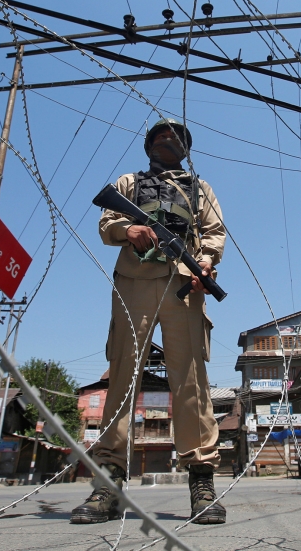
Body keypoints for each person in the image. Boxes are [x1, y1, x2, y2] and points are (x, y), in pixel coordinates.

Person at [70, 118, 226, 525]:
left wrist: (206, 263)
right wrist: (131, 227)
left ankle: (202, 481)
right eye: (158, 136)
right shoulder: (127, 183)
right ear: (148, 145)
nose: (166, 140)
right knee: (122, 378)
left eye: (174, 137)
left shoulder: (200, 188)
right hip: (134, 283)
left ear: (185, 148)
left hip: (183, 287)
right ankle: (108, 483)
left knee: (191, 383)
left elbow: (213, 231)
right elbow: (107, 223)